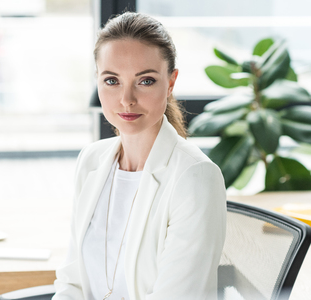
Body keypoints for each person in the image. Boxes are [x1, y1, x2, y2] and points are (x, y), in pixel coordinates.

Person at [53, 12, 226, 300]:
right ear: (97, 80)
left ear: (170, 83)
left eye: (145, 81)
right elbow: (72, 281)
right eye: (112, 81)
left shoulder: (195, 177)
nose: (126, 99)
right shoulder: (92, 161)